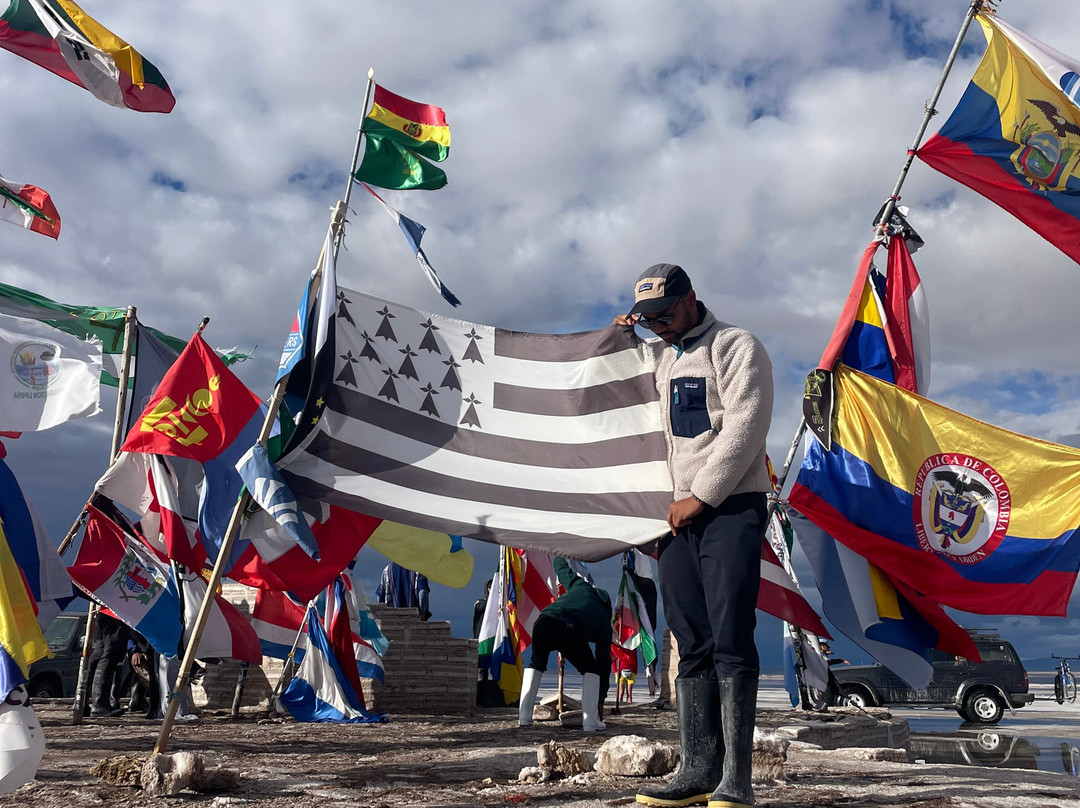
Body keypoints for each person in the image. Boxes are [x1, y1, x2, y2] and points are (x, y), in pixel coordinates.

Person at [616, 264, 773, 808]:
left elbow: (747, 426)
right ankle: (696, 769)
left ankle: (737, 780)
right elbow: (627, 383)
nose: (656, 325)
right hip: (675, 521)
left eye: (663, 314)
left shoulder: (735, 346)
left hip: (729, 508)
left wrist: (701, 495)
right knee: (690, 640)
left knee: (731, 635)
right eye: (646, 318)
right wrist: (620, 339)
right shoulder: (660, 356)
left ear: (690, 301)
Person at [518, 557, 612, 732]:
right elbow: (603, 663)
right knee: (590, 670)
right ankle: (590, 721)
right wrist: (600, 700)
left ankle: (524, 717)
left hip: (544, 621)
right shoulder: (604, 620)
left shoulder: (581, 586)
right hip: (571, 627)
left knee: (536, 664)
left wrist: (561, 553)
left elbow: (561, 569)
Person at [88, 613, 131, 717]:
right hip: (113, 612)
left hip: (105, 612)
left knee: (100, 653)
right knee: (111, 653)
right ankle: (99, 704)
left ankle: (84, 702)